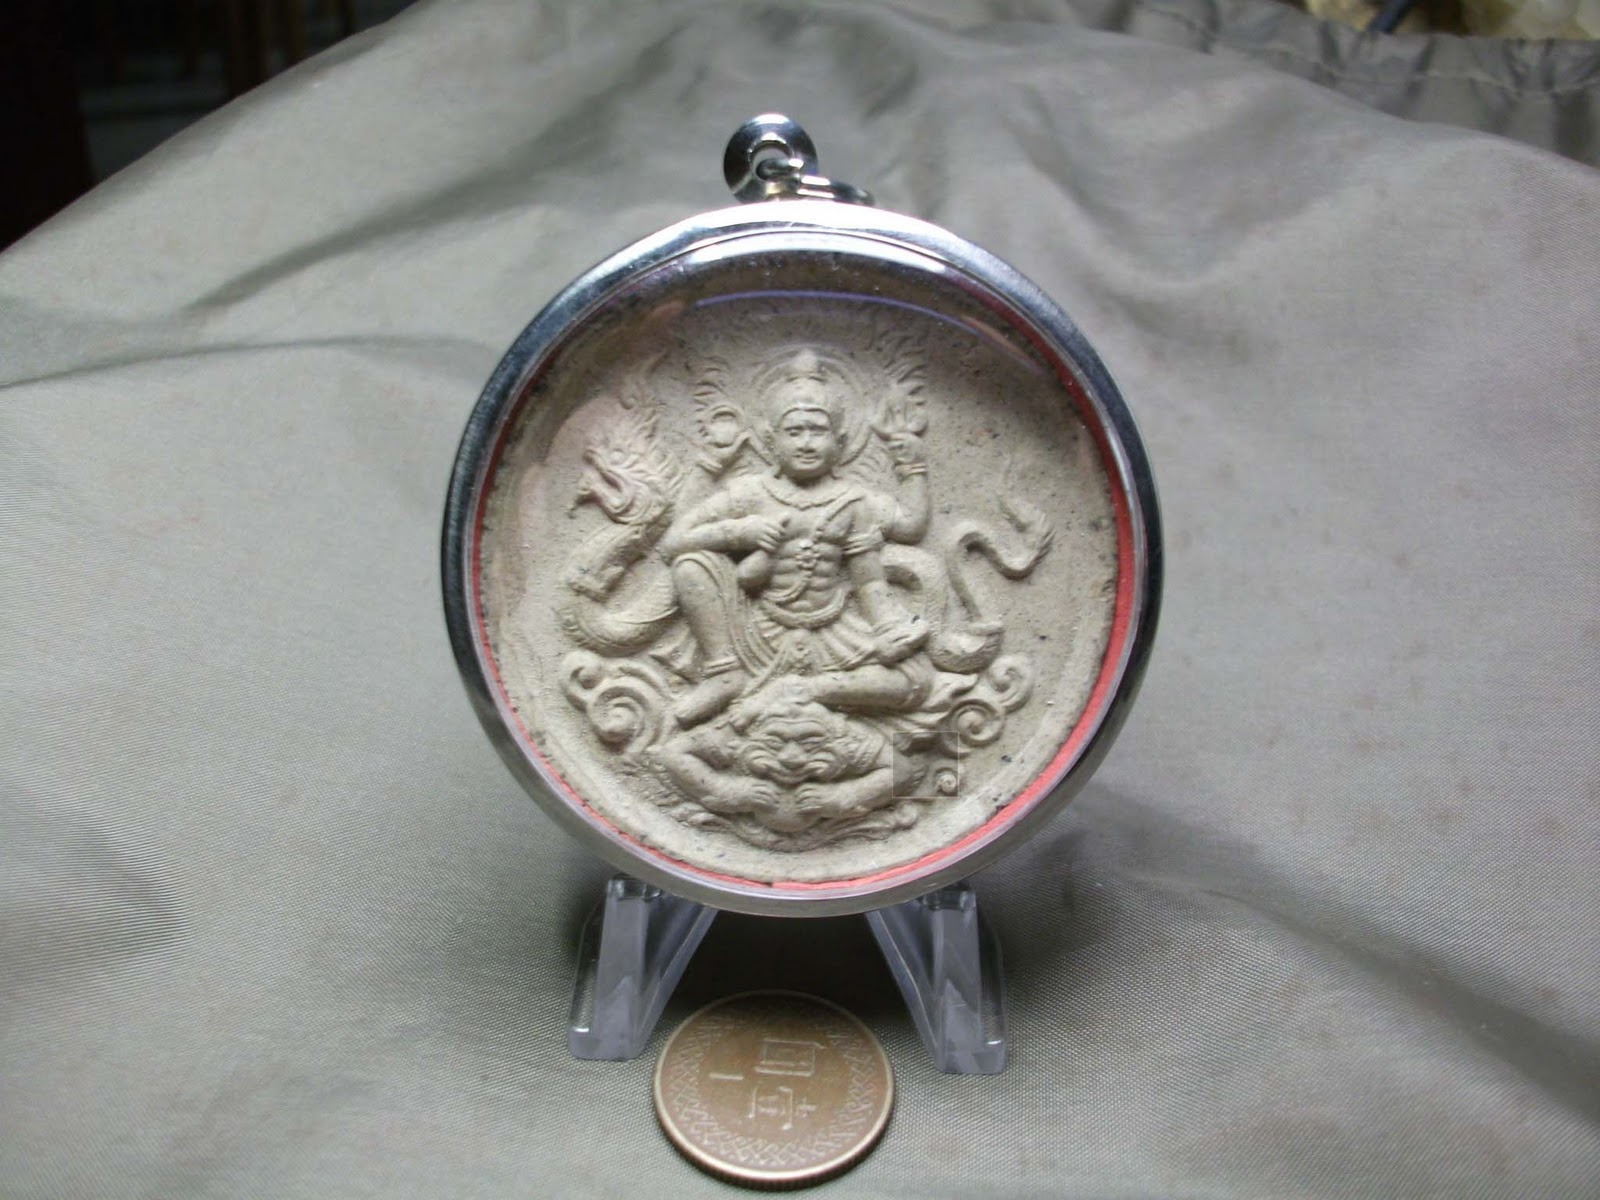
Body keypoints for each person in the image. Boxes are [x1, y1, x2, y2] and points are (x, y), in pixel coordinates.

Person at [658, 349, 932, 726]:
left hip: (832, 629)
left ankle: (807, 689)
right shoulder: (750, 493)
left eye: (817, 431)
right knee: (691, 564)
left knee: (915, 682)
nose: (806, 443)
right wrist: (739, 532)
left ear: (840, 440)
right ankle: (723, 674)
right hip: (753, 627)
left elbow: (880, 567)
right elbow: (674, 542)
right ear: (771, 440)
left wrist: (911, 465)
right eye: (794, 431)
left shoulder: (854, 501)